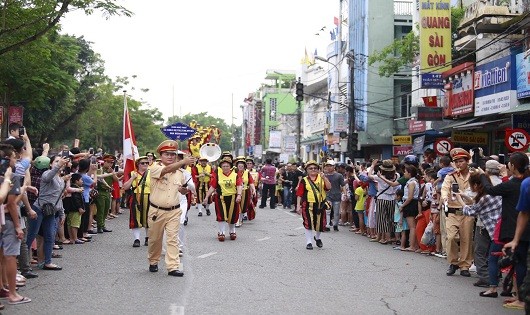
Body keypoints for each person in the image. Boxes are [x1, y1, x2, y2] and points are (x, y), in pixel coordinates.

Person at [147, 140, 194, 277]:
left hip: (174, 210)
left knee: (172, 238)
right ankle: (153, 260)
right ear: (161, 155)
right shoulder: (154, 168)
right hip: (157, 211)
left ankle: (173, 266)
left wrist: (183, 190)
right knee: (155, 240)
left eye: (173, 154)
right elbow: (166, 170)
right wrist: (183, 162)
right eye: (167, 154)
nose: (170, 156)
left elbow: (179, 188)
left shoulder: (180, 173)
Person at [455, 173, 502, 298]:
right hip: (500, 228)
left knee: (490, 258)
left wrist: (460, 201)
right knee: (495, 257)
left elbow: (471, 211)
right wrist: (466, 197)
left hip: (494, 231)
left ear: (476, 185)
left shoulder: (484, 198)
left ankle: (492, 286)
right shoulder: (494, 193)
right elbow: (479, 206)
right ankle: (499, 283)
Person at [28, 155, 69, 271]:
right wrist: (58, 166)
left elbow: (59, 198)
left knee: (50, 236)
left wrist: (62, 213)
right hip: (39, 208)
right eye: (56, 161)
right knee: (31, 235)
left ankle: (48, 262)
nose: (60, 162)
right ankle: (23, 265)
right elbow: (48, 177)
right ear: (50, 164)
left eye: (60, 161)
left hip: (51, 211)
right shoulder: (46, 174)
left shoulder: (60, 180)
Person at [441, 148, 474, 277]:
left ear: (467, 161)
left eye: (461, 161)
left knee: (466, 239)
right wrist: (444, 197)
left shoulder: (474, 175)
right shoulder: (451, 176)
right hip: (452, 211)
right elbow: (445, 189)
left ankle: (465, 265)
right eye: (456, 162)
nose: (459, 164)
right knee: (451, 237)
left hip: (468, 212)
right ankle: (453, 262)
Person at [203, 155, 243, 241]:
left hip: (233, 197)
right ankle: (222, 232)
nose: (225, 167)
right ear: (221, 167)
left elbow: (239, 185)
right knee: (221, 215)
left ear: (230, 167)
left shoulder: (235, 175)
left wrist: (239, 195)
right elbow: (212, 187)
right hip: (220, 198)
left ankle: (232, 231)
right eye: (223, 166)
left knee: (232, 215)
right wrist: (206, 197)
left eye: (227, 166)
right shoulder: (217, 174)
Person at [296, 160, 331, 250]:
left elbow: (329, 187)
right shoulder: (304, 180)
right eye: (310, 168)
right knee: (308, 223)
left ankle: (318, 238)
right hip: (307, 205)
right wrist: (297, 206)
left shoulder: (322, 178)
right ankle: (309, 242)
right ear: (307, 170)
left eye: (315, 168)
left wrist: (324, 178)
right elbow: (299, 194)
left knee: (320, 223)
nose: (313, 170)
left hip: (320, 204)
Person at [368, 159, 399, 244]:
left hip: (382, 198)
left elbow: (369, 175)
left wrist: (372, 165)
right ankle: (389, 237)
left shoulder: (379, 177)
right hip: (392, 198)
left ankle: (386, 238)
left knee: (382, 219)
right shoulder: (397, 176)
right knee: (390, 218)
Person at [122, 156, 151, 247]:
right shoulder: (132, 174)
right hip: (135, 197)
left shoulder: (152, 173)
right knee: (135, 218)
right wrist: (132, 178)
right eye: (143, 163)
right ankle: (137, 239)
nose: (145, 164)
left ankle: (147, 238)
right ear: (138, 164)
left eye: (147, 163)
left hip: (149, 197)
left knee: (148, 219)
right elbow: (125, 187)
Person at [94, 154, 119, 233]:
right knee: (101, 210)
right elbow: (99, 179)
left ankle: (103, 225)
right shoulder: (100, 170)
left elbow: (116, 180)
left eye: (112, 163)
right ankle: (99, 226)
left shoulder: (111, 170)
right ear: (104, 161)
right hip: (101, 191)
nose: (110, 164)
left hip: (108, 193)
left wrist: (113, 172)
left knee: (106, 210)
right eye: (108, 162)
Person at [323, 160, 346, 231]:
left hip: (337, 196)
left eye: (330, 166)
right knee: (328, 210)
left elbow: (343, 185)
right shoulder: (324, 176)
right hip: (328, 195)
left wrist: (344, 193)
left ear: (334, 167)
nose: (329, 168)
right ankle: (327, 225)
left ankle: (335, 224)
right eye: (327, 166)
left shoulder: (339, 175)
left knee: (336, 212)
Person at [234, 157, 255, 227]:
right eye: (239, 166)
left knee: (243, 207)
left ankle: (240, 219)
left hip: (245, 192)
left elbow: (251, 182)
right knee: (237, 206)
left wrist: (253, 190)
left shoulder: (247, 173)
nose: (240, 167)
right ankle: (236, 220)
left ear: (244, 167)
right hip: (235, 192)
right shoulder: (233, 173)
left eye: (242, 166)